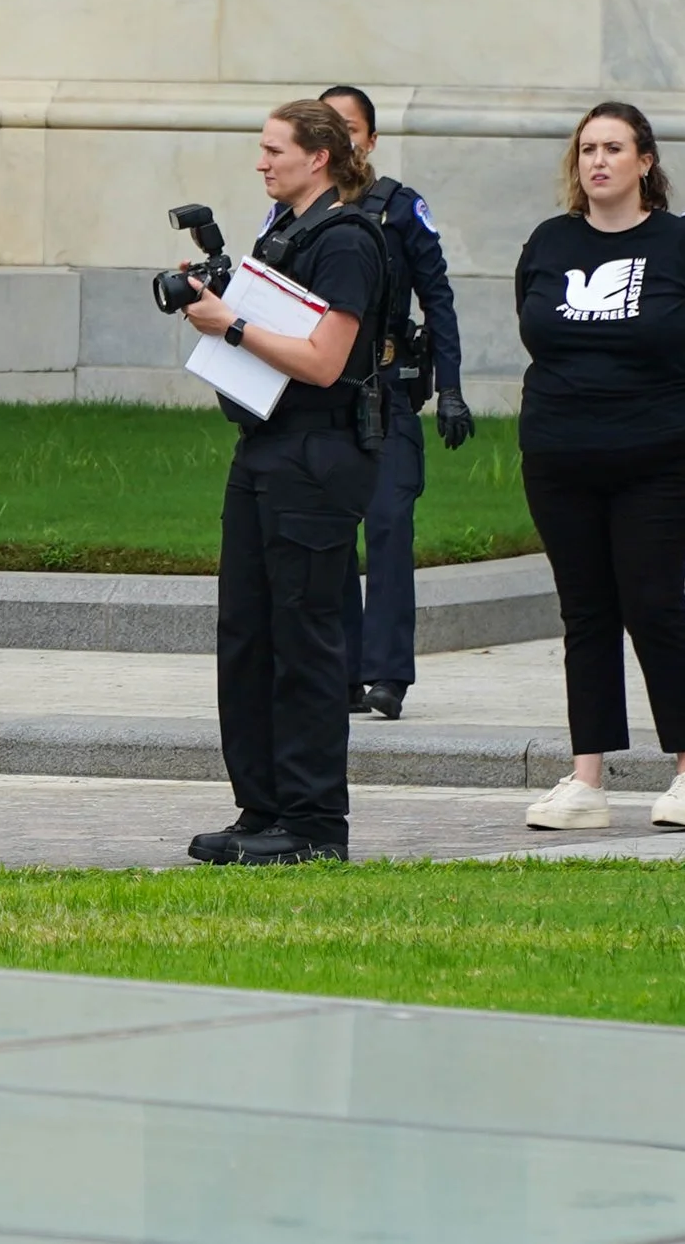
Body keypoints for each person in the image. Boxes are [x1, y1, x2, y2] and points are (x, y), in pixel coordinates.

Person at [179, 100, 391, 866]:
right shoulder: (283, 230)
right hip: (267, 444)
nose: (262, 162)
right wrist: (217, 302)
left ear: (320, 158)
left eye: (275, 150)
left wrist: (229, 326)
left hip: (318, 455)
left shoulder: (347, 240)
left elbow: (327, 360)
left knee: (304, 641)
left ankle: (313, 823)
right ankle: (261, 807)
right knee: (246, 636)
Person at [517, 103, 685, 834]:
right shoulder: (550, 242)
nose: (598, 161)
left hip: (660, 460)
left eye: (614, 148)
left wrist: (667, 415)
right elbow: (539, 330)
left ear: (646, 161)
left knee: (652, 604)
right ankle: (587, 778)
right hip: (558, 456)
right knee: (586, 612)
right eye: (587, 150)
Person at [317, 86, 472, 722]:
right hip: (321, 395)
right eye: (327, 128)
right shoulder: (300, 214)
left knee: (387, 527)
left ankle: (386, 673)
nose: (340, 140)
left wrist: (454, 388)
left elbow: (438, 298)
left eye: (350, 129)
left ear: (371, 141)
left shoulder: (401, 208)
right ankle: (342, 671)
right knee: (328, 538)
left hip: (385, 394)